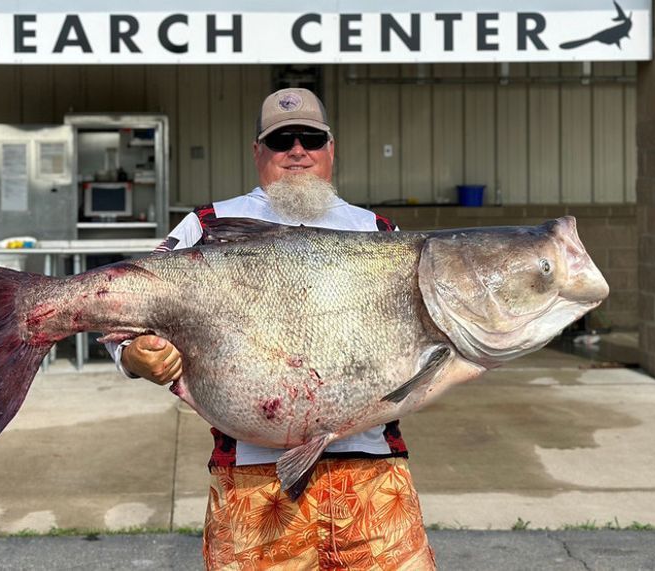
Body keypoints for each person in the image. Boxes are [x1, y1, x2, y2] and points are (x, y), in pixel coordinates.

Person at [111, 88, 436, 570]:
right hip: (252, 480)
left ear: (331, 148)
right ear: (258, 152)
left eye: (311, 138)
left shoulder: (379, 231)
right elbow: (121, 312)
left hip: (371, 474)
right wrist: (134, 355)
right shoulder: (209, 225)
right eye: (282, 140)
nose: (298, 151)